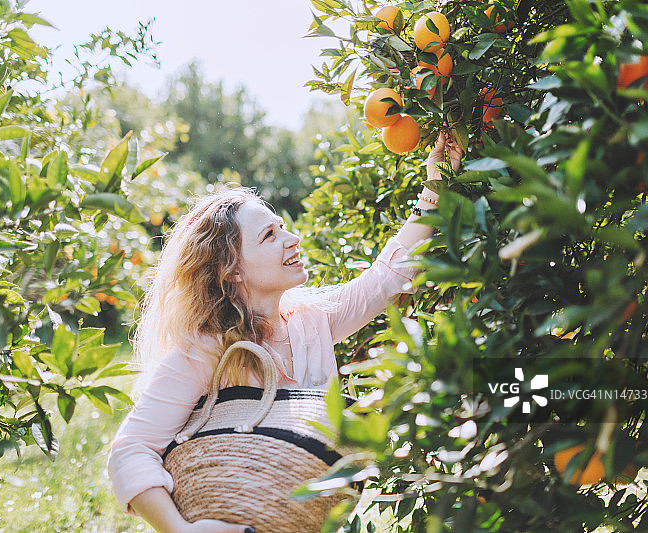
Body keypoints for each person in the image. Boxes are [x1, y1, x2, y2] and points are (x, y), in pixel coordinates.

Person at [107, 132, 463, 533]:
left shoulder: (310, 320)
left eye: (282, 226)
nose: (293, 240)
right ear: (233, 269)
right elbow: (131, 450)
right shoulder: (205, 348)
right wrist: (181, 530)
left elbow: (387, 277)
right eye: (269, 236)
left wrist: (434, 187)